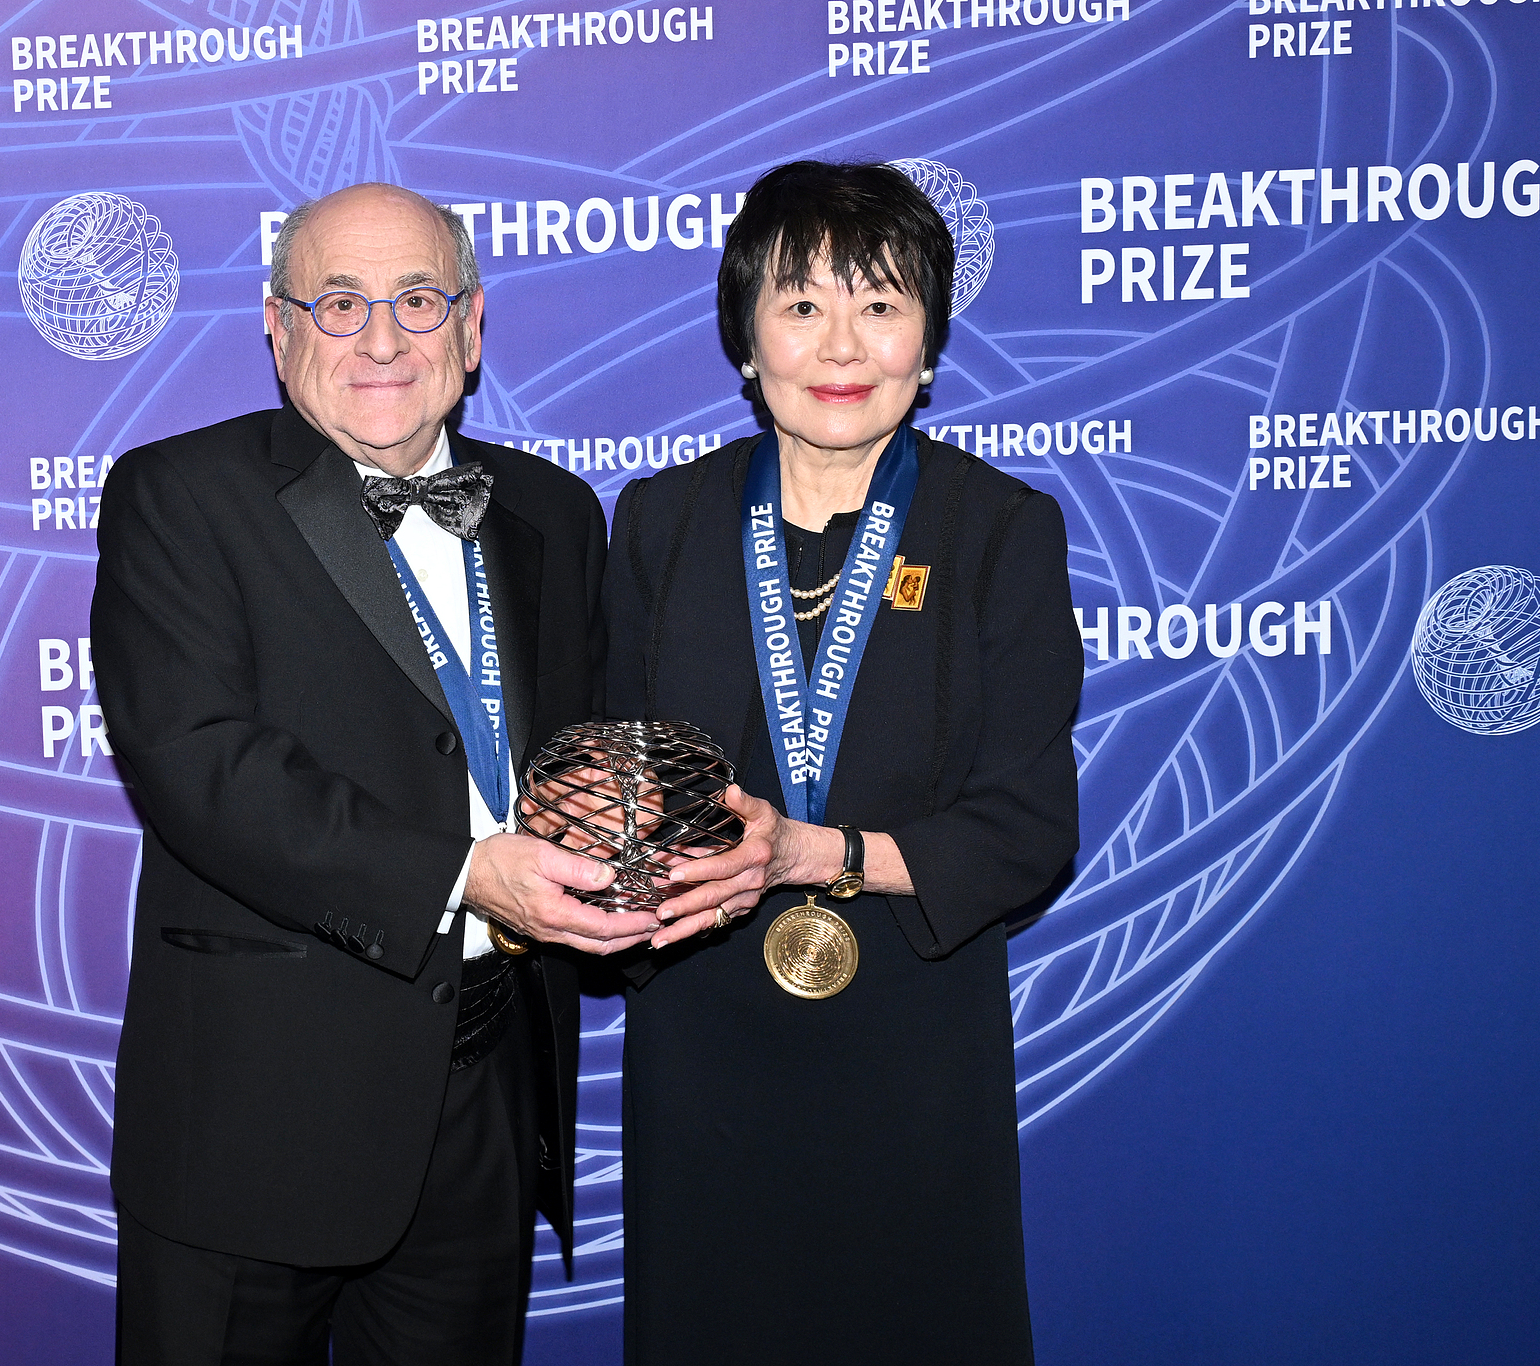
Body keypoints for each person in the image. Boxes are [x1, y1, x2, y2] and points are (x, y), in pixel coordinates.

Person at [91, 182, 658, 1366]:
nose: (384, 339)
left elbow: (561, 750)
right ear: (276, 325)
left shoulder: (553, 511)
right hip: (253, 1117)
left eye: (417, 299)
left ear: (473, 326)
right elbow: (202, 765)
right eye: (339, 303)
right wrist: (462, 874)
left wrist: (622, 825)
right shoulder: (178, 496)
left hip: (480, 1100)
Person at [603, 161, 1084, 1364]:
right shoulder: (657, 523)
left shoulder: (998, 529)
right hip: (706, 1045)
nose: (840, 343)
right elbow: (618, 781)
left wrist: (820, 854)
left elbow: (1028, 824)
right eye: (800, 303)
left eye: (880, 304)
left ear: (927, 346)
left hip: (914, 1054)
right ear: (744, 336)